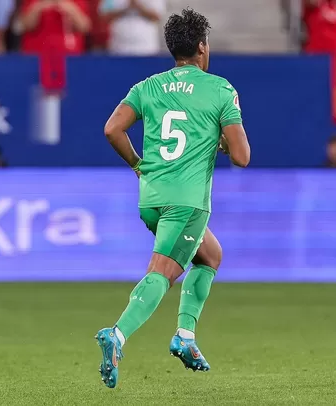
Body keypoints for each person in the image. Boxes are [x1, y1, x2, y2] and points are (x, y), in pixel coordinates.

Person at [95, 8, 251, 389]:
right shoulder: (220, 89)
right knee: (162, 271)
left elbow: (113, 129)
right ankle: (117, 334)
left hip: (151, 199)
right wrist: (221, 143)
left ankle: (186, 336)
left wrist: (137, 164)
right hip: (187, 203)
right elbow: (243, 156)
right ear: (201, 47)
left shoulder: (147, 86)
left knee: (210, 255)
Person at [18, 0, 91, 54]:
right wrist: (39, 7)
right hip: (36, 56)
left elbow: (85, 27)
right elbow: (25, 26)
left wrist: (71, 9)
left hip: (70, 56)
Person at [99, 0, 165, 55]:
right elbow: (105, 16)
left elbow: (157, 16)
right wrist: (125, 8)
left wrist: (138, 6)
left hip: (146, 47)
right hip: (119, 46)